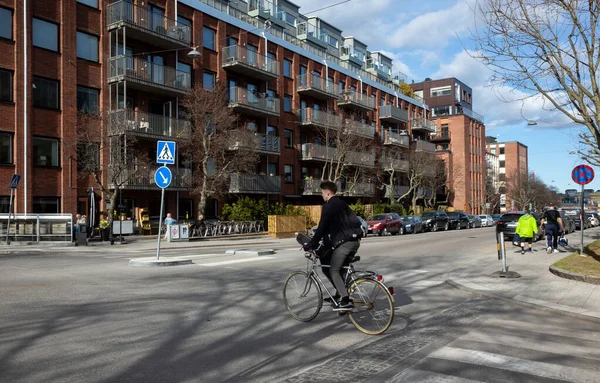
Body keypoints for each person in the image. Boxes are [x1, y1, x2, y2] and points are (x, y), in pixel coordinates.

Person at [303, 181, 363, 311]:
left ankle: (345, 300)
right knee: (339, 269)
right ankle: (338, 296)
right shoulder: (342, 204)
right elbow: (334, 228)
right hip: (354, 241)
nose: (322, 196)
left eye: (323, 193)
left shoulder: (329, 206)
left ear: (328, 192)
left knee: (333, 270)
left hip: (345, 243)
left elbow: (322, 228)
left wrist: (311, 244)